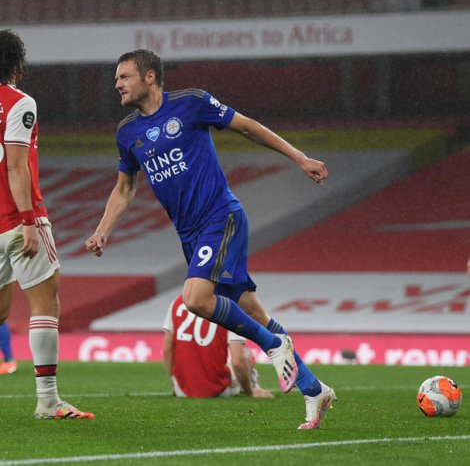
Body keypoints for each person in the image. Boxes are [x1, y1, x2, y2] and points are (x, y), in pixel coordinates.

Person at [85, 49, 335, 429]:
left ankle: (272, 346)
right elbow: (125, 188)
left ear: (150, 77)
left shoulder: (192, 104)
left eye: (124, 76)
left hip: (221, 217)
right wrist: (103, 231)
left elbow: (248, 126)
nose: (116, 83)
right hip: (190, 234)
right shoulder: (128, 132)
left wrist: (299, 157)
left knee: (195, 299)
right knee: (252, 310)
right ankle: (314, 389)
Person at [0, 30, 94, 420]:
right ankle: (49, 400)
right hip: (19, 219)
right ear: (17, 64)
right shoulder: (19, 102)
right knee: (45, 304)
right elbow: (17, 165)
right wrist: (27, 221)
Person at [163, 294, 273, 398]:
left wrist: (175, 383)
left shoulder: (177, 302)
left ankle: (177, 384)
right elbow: (238, 362)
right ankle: (250, 386)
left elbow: (167, 349)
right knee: (247, 355)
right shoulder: (230, 308)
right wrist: (250, 392)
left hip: (182, 390)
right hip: (218, 389)